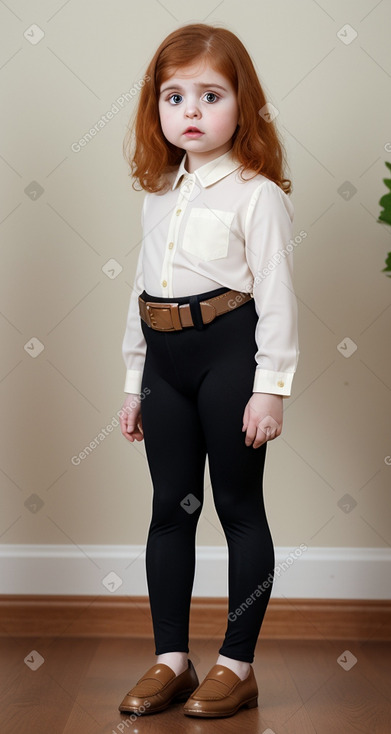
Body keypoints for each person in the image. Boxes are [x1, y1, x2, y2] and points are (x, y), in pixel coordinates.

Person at [117, 22, 299, 719]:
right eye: (173, 97)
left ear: (242, 105)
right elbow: (137, 292)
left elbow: (278, 297)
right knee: (170, 509)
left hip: (229, 354)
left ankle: (235, 664)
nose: (189, 112)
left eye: (209, 95)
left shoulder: (257, 195)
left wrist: (269, 388)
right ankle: (172, 659)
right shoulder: (159, 192)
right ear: (156, 109)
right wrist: (133, 381)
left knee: (237, 508)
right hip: (164, 363)